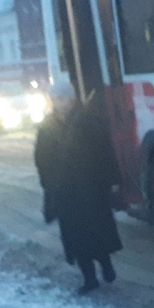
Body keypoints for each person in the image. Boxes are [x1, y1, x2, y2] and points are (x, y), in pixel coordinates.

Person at [34, 82, 123, 294]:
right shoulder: (46, 126)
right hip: (65, 191)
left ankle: (105, 263)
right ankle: (89, 278)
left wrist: (112, 179)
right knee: (76, 237)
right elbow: (41, 158)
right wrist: (48, 183)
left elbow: (105, 151)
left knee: (96, 231)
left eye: (62, 98)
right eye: (55, 99)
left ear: (71, 99)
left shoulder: (88, 120)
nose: (59, 103)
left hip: (91, 187)